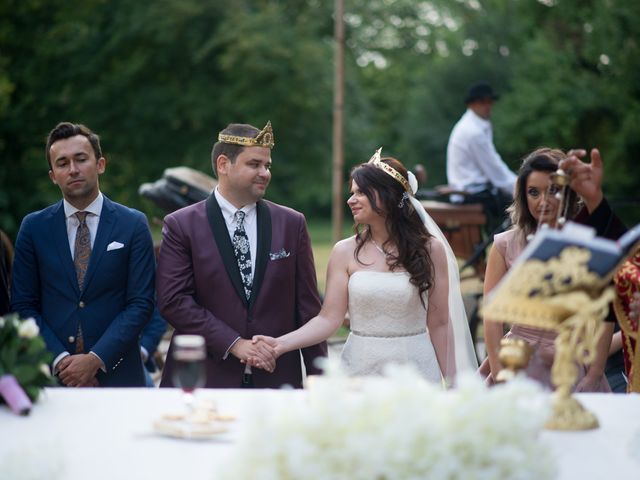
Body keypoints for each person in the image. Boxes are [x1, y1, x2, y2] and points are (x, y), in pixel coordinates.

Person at [251, 149, 478, 383]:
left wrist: (455, 383)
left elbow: (440, 324)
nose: (351, 200)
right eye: (352, 193)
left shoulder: (430, 250)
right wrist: (279, 344)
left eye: (361, 192)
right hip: (360, 368)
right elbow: (329, 319)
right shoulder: (344, 251)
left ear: (388, 195)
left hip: (415, 369)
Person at [156, 121, 327, 389]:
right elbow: (174, 301)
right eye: (254, 164)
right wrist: (234, 344)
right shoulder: (181, 224)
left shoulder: (292, 224)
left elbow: (308, 309)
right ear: (224, 164)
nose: (265, 173)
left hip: (277, 380)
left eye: (267, 165)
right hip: (204, 379)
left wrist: (321, 379)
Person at [10, 122, 156, 387]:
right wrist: (62, 362)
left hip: (119, 377)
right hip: (51, 378)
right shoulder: (33, 227)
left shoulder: (133, 224)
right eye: (62, 163)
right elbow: (23, 305)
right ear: (53, 175)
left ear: (100, 164)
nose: (73, 169)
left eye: (81, 159)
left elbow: (141, 303)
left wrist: (94, 360)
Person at [480, 148, 613, 392]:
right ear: (523, 195)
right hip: (517, 362)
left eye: (553, 190)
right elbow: (491, 317)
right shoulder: (504, 245)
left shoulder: (587, 244)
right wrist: (499, 372)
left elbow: (605, 317)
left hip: (571, 362)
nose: (543, 201)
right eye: (534, 192)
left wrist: (594, 373)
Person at [446, 82, 516, 232]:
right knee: (523, 206)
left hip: (471, 191)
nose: (488, 105)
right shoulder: (473, 132)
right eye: (483, 102)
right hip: (472, 193)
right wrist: (522, 187)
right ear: (471, 104)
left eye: (490, 101)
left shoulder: (474, 125)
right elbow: (496, 171)